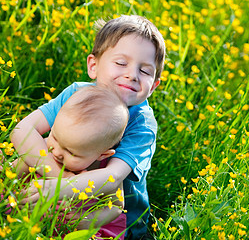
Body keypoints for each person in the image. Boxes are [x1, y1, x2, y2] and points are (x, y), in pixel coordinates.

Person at [11, 15, 166, 239]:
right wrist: (56, 180)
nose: (132, 74)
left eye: (145, 71)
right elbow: (22, 130)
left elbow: (112, 177)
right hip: (60, 184)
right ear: (93, 66)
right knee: (40, 147)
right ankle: (0, 185)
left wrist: (56, 189)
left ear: (153, 86)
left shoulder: (141, 123)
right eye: (121, 63)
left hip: (112, 216)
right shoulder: (77, 93)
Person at [14, 85, 129, 238]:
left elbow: (116, 206)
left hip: (76, 227)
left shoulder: (103, 172)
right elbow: (14, 170)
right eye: (54, 137)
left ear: (102, 154)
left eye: (71, 152)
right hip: (35, 216)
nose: (57, 152)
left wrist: (89, 220)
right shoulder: (45, 153)